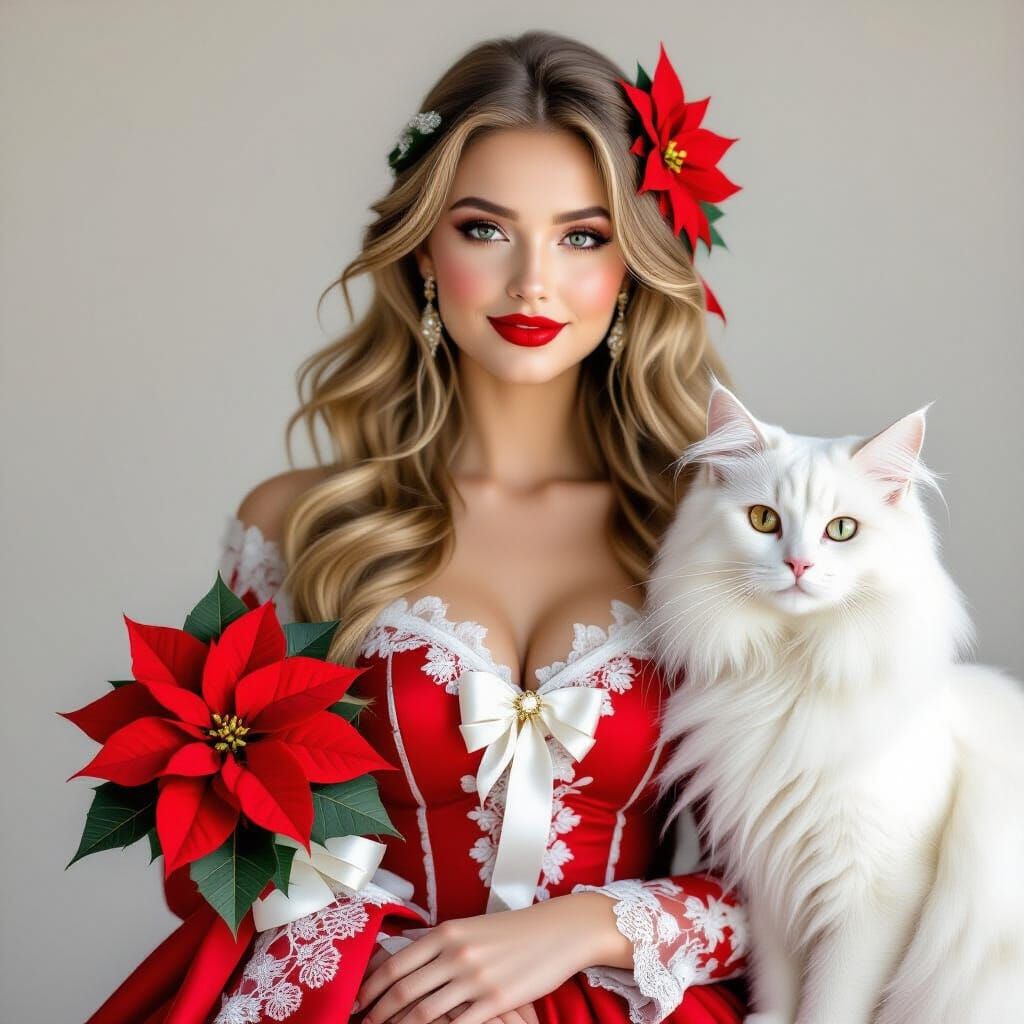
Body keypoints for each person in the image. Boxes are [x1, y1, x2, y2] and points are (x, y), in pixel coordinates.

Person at [86, 28, 749, 1024]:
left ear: (633, 265)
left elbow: (795, 889)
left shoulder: (719, 539)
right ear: (426, 248)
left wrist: (573, 932)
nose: (533, 279)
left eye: (582, 234)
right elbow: (214, 852)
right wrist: (407, 978)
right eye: (486, 228)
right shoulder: (301, 525)